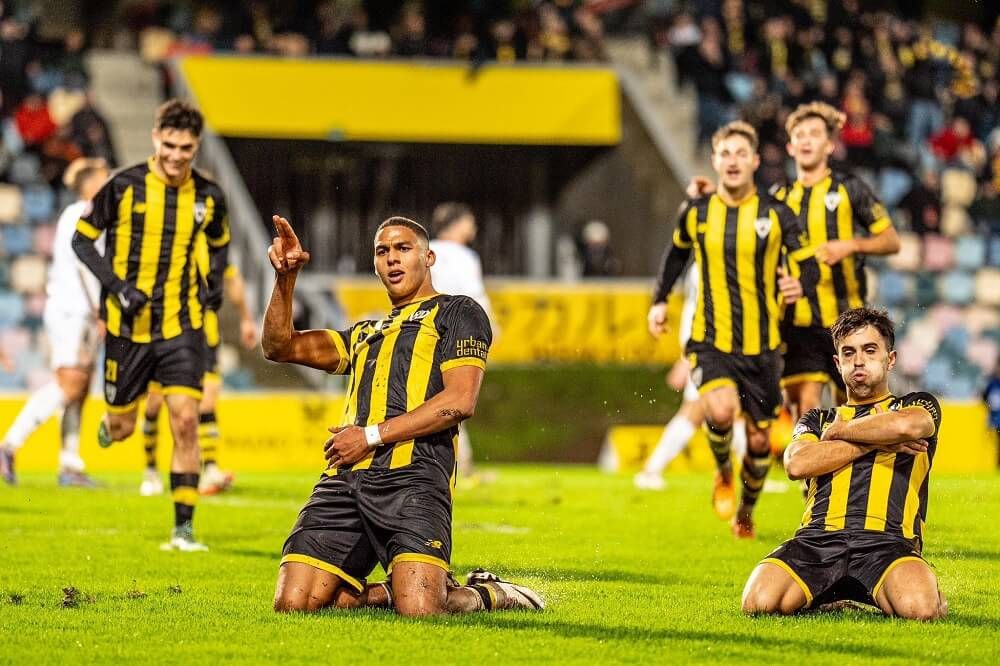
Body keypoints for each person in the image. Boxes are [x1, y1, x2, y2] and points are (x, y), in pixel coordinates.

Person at [263, 214, 542, 615]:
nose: (392, 258)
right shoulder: (364, 333)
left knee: (422, 610)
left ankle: (489, 592)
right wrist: (285, 278)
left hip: (414, 479)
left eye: (402, 248)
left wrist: (368, 436)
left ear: (428, 258)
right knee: (294, 603)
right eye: (382, 251)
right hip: (345, 481)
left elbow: (460, 400)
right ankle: (394, 590)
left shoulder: (457, 312)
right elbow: (279, 346)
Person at [71, 99, 230, 551]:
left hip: (182, 325)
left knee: (185, 419)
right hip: (127, 329)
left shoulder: (208, 196)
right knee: (123, 428)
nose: (177, 156)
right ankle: (113, 424)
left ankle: (183, 529)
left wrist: (215, 284)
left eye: (186, 148)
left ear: (197, 146)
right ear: (155, 138)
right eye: (169, 145)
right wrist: (118, 287)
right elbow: (81, 240)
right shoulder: (123, 186)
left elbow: (220, 243)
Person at [648, 120, 816, 539]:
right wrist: (659, 301)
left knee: (759, 442)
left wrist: (801, 284)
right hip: (710, 339)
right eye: (726, 153)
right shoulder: (698, 211)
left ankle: (745, 510)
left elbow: (808, 262)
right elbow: (675, 256)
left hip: (763, 346)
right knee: (720, 411)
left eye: (742, 153)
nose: (733, 161)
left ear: (755, 161)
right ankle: (723, 468)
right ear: (714, 160)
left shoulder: (776, 214)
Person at [688, 102, 900, 422]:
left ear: (829, 145)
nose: (806, 140)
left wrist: (851, 245)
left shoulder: (849, 189)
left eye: (814, 134)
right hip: (798, 325)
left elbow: (891, 241)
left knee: (858, 413)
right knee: (806, 411)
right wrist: (710, 194)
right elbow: (738, 210)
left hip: (848, 320)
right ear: (790, 147)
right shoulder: (778, 197)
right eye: (799, 135)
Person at [742, 307, 948, 620]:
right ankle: (827, 595)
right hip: (816, 541)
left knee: (920, 609)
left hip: (888, 543)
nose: (859, 360)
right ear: (838, 364)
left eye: (870, 350)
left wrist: (841, 432)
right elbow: (796, 464)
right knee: (758, 603)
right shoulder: (817, 419)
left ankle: (914, 584)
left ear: (890, 359)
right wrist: (877, 442)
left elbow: (907, 427)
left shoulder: (915, 404)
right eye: (849, 353)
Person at [0, 158, 110, 487]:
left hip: (76, 310)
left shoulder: (77, 215)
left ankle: (70, 464)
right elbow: (85, 266)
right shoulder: (82, 215)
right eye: (104, 179)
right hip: (73, 311)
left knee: (80, 387)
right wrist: (99, 310)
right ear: (90, 184)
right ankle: (9, 445)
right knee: (69, 384)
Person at [139, 244, 258, 497]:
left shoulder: (212, 242)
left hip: (204, 332)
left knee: (208, 399)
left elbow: (232, 278)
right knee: (153, 403)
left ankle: (210, 468)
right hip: (164, 330)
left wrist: (246, 318)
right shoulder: (165, 237)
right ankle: (150, 470)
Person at [635, 265, 747, 491]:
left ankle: (753, 476)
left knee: (734, 410)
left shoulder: (708, 263)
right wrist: (688, 356)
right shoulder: (707, 266)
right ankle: (650, 470)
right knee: (695, 411)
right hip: (709, 351)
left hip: (718, 349)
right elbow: (699, 311)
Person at [428, 202, 492, 479]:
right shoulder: (466, 257)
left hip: (426, 329)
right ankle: (459, 465)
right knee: (458, 398)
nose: (473, 226)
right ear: (457, 223)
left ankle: (451, 462)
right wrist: (490, 327)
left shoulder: (424, 249)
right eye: (470, 221)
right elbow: (475, 297)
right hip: (458, 332)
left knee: (430, 397)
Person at [983, 362, 1000, 467]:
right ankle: (998, 464)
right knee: (997, 443)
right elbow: (985, 397)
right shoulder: (992, 384)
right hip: (996, 420)